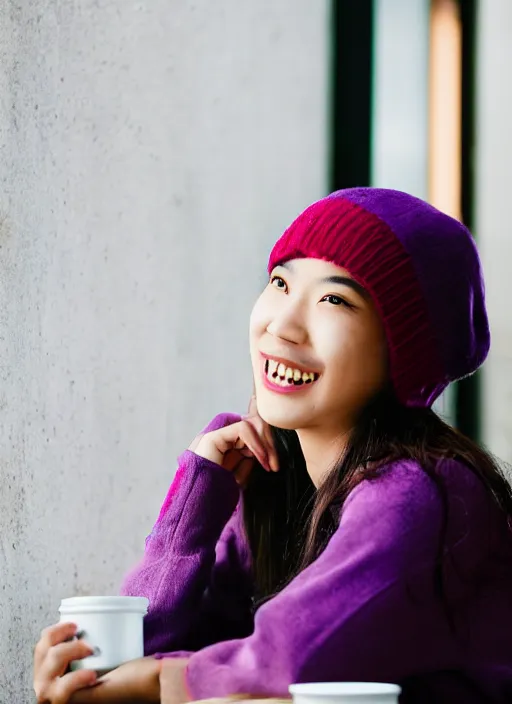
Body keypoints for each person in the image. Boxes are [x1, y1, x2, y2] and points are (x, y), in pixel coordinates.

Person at [34, 188, 512, 703]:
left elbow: (288, 660)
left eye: (334, 299)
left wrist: (154, 681)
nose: (281, 325)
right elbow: (149, 652)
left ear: (404, 353)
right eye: (281, 282)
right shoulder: (278, 485)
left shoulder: (421, 494)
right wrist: (194, 506)